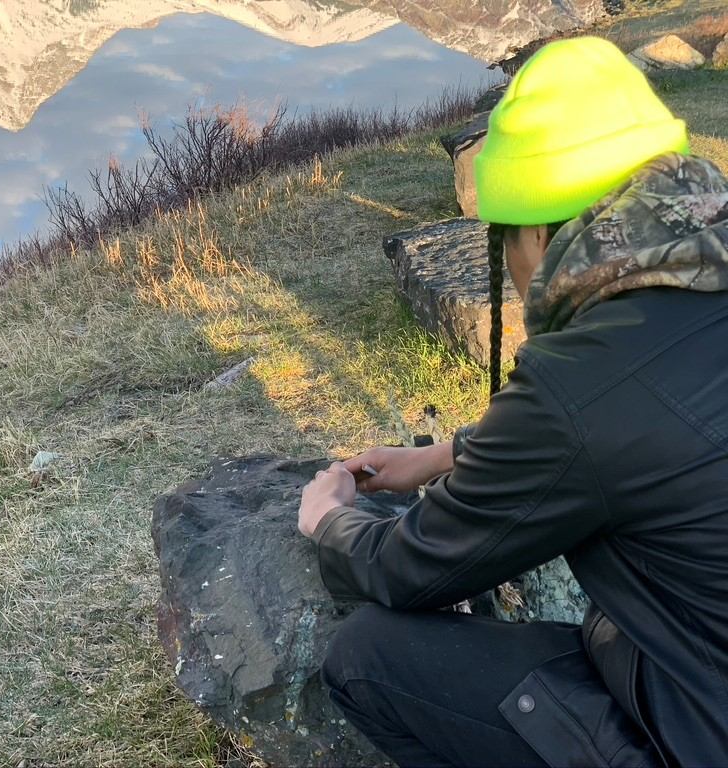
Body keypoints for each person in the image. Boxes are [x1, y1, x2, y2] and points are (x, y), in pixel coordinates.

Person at [297, 36, 728, 767]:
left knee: (368, 657)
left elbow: (413, 567)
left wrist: (329, 521)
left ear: (535, 229)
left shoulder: (584, 373)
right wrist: (448, 454)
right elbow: (653, 427)